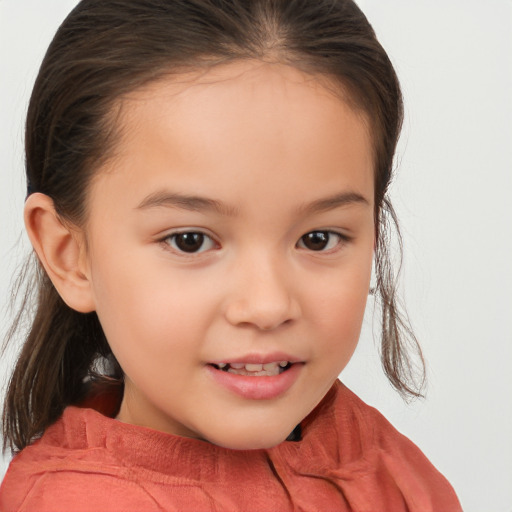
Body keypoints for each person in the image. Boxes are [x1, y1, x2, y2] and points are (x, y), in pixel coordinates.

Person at [0, 0, 462, 510]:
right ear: (70, 254)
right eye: (190, 240)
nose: (267, 306)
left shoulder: (382, 462)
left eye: (318, 238)